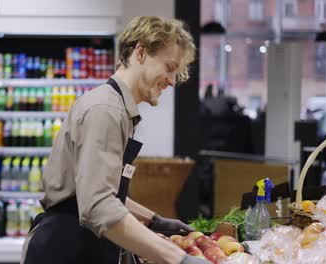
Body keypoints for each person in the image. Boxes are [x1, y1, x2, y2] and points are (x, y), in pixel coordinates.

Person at [21, 16, 209, 264]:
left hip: (81, 244)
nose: (173, 81)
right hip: (66, 248)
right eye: (170, 67)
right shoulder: (106, 111)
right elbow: (98, 205)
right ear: (140, 52)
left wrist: (153, 220)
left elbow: (99, 190)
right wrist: (179, 259)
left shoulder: (118, 108)